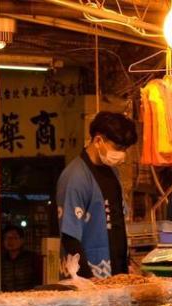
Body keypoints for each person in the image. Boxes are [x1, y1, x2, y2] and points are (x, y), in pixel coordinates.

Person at [57, 111, 138, 278]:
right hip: (89, 276)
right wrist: (88, 280)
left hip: (117, 271)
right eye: (118, 147)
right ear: (98, 140)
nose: (122, 154)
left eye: (125, 149)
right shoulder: (75, 176)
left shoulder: (113, 172)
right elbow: (69, 235)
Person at [1, 225, 42, 292]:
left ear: (22, 240)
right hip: (6, 298)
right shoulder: (0, 261)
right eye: (7, 238)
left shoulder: (32, 258)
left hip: (28, 297)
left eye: (14, 238)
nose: (10, 241)